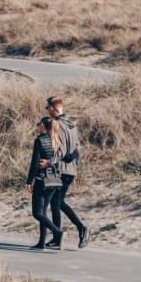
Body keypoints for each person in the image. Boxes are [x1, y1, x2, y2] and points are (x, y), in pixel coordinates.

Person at [46, 96, 90, 249]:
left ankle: (71, 231)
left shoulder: (55, 124)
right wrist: (75, 168)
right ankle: (64, 234)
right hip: (70, 169)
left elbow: (57, 148)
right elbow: (77, 148)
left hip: (60, 168)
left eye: (47, 108)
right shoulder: (72, 124)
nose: (47, 111)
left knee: (55, 202)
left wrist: (50, 163)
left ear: (52, 108)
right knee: (58, 202)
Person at [26, 116, 66, 250]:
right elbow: (61, 158)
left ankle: (58, 233)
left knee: (37, 213)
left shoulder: (40, 140)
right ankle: (41, 242)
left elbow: (34, 163)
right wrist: (49, 163)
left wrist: (29, 181)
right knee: (43, 212)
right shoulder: (56, 139)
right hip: (54, 180)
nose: (37, 126)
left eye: (39, 124)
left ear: (44, 126)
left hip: (42, 180)